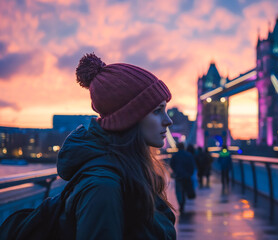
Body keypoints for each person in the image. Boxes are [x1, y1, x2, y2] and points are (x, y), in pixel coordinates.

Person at [56, 53, 176, 239]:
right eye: (157, 111)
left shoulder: (131, 173)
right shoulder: (102, 189)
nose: (168, 121)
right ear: (130, 117)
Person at [170, 142, 196, 213]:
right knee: (184, 190)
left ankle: (181, 204)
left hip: (178, 176)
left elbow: (172, 164)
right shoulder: (189, 155)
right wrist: (189, 173)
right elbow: (192, 166)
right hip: (186, 176)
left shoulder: (175, 155)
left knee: (179, 191)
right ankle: (183, 203)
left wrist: (176, 171)